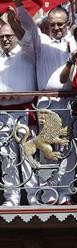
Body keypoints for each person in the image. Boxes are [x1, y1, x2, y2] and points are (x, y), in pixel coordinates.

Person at [13, 0, 77, 205]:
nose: (56, 28)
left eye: (60, 24)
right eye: (53, 24)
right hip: (47, 103)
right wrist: (18, 3)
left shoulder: (73, 41)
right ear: (48, 24)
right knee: (46, 148)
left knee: (67, 149)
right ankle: (48, 195)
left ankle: (64, 194)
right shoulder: (41, 42)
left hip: (70, 101)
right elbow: (28, 25)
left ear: (67, 24)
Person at [0, 17, 37, 206]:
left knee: (27, 155)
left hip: (23, 111)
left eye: (9, 35)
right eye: (1, 37)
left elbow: (29, 36)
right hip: (3, 114)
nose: (5, 39)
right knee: (7, 157)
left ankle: (33, 196)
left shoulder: (27, 52)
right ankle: (11, 197)